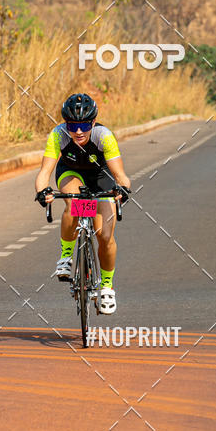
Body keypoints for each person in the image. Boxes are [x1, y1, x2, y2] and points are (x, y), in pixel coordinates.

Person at [34, 93, 131, 315]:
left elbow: (121, 175)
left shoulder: (103, 136)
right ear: (65, 124)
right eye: (72, 125)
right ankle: (66, 257)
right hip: (70, 173)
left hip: (100, 176)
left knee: (104, 235)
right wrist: (42, 191)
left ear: (93, 123)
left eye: (84, 125)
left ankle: (106, 286)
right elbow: (44, 173)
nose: (78, 131)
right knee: (75, 204)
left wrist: (123, 190)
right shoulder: (58, 135)